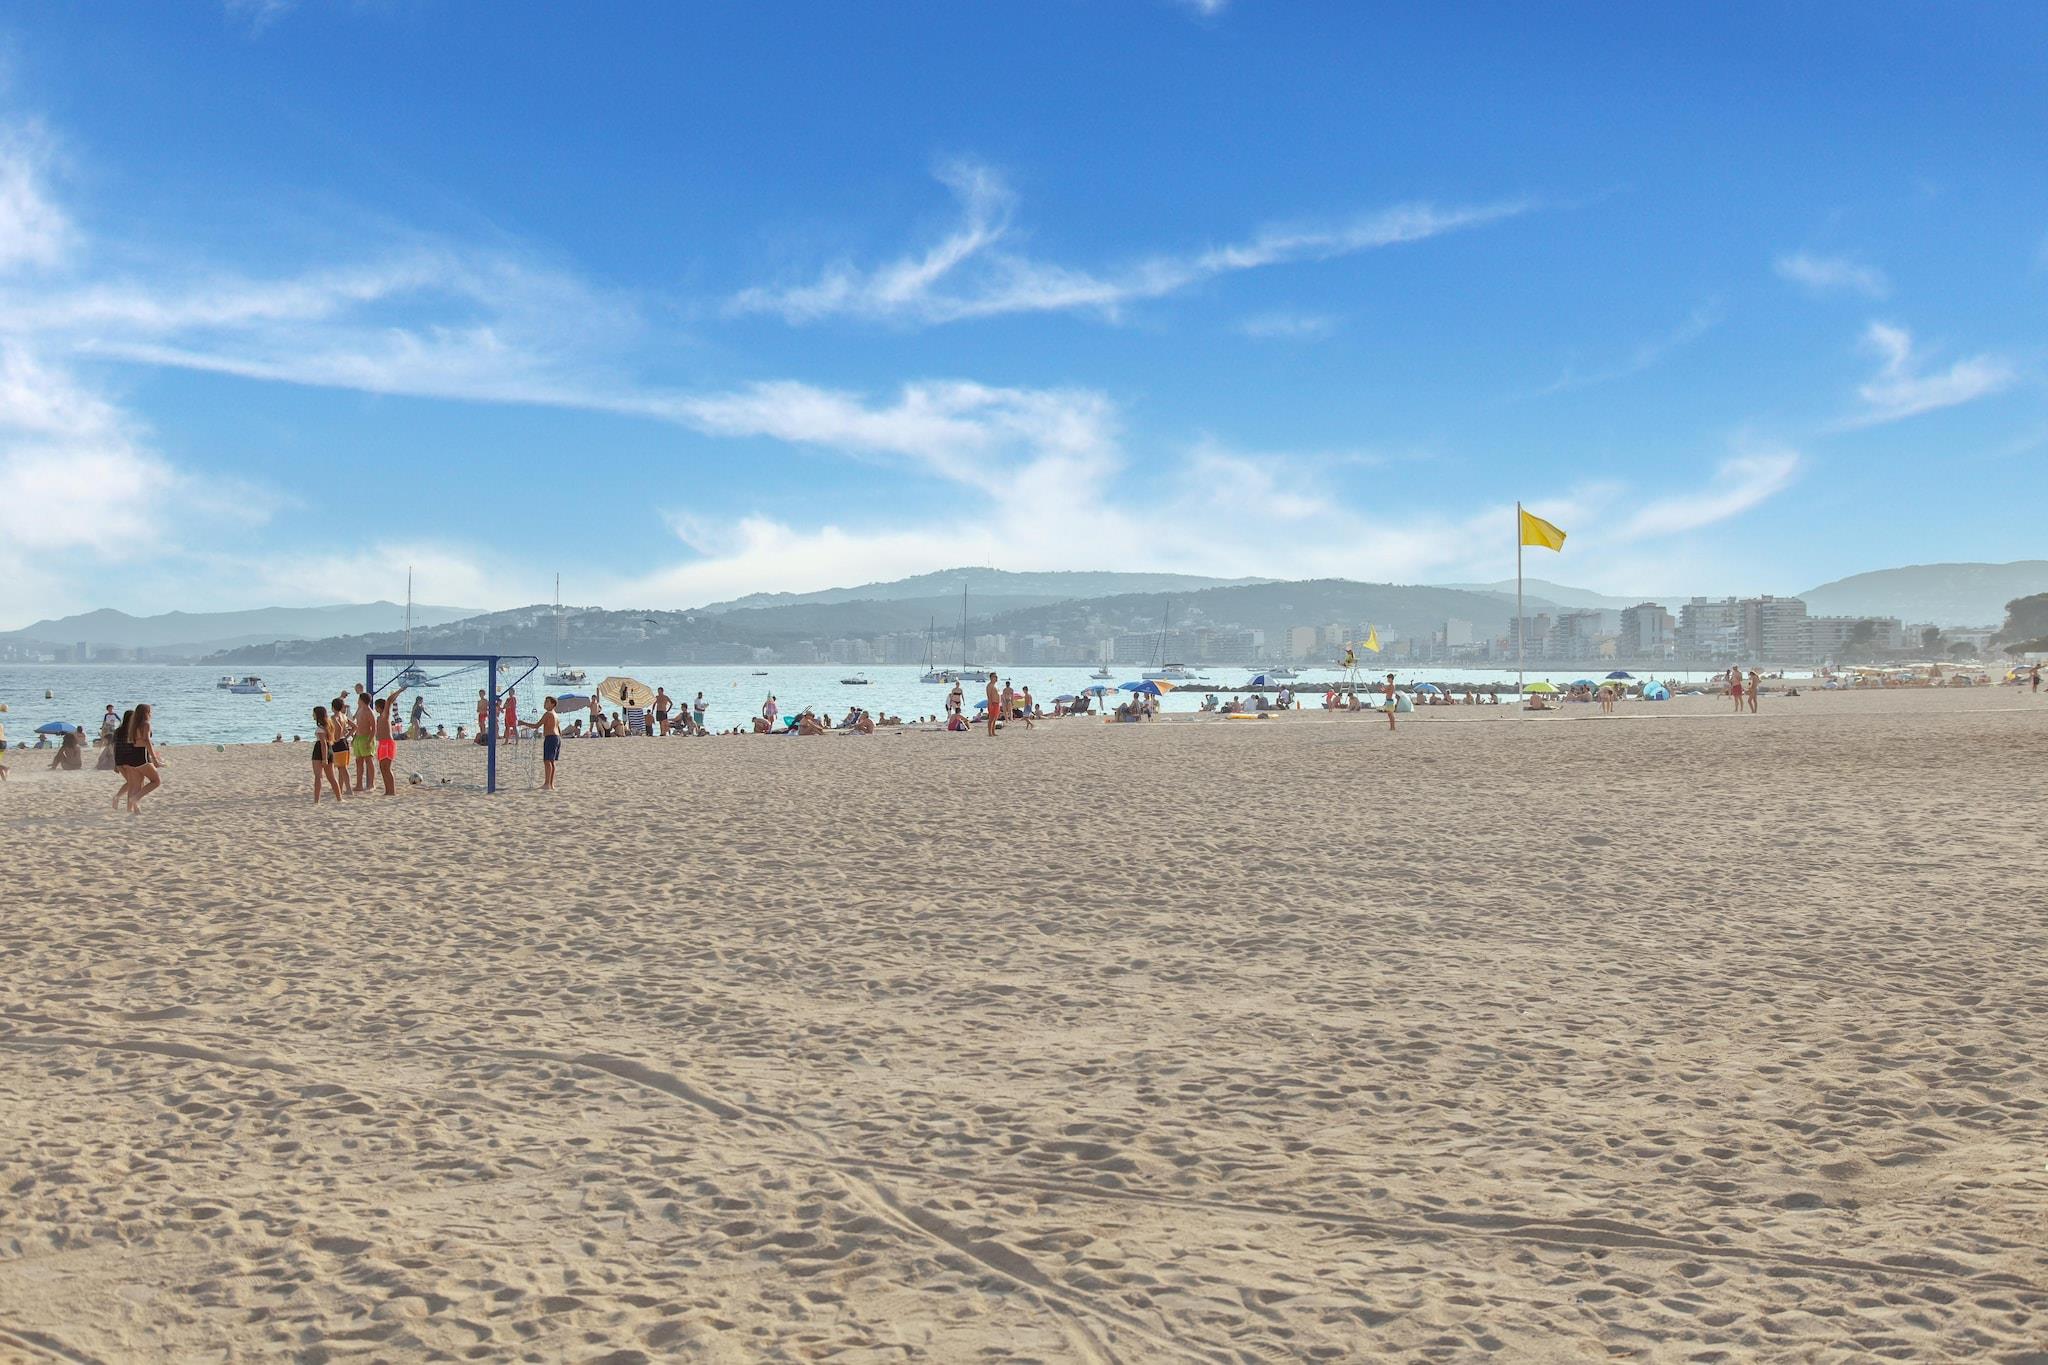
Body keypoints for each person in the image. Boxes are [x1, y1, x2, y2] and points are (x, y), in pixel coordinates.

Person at [115, 705, 161, 812]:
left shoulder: (133, 725)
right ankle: (135, 799)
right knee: (156, 781)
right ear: (146, 712)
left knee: (135, 785)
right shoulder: (146, 724)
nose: (151, 713)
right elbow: (147, 741)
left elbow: (135, 743)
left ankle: (132, 809)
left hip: (132, 757)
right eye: (150, 711)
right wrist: (154, 758)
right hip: (141, 757)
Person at [310, 705, 345, 803]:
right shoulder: (329, 725)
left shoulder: (320, 728)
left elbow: (323, 744)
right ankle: (339, 798)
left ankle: (316, 800)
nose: (313, 715)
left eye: (314, 714)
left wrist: (324, 758)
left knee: (318, 777)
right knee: (332, 777)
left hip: (320, 751)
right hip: (329, 750)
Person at [530, 695, 562, 790]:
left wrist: (523, 723)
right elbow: (559, 730)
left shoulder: (548, 713)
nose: (545, 703)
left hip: (551, 738)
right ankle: (551, 784)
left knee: (547, 761)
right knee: (551, 761)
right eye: (545, 701)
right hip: (556, 738)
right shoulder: (556, 715)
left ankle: (547, 784)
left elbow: (537, 725)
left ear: (553, 704)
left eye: (547, 702)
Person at [374, 691, 402, 796]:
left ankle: (392, 791)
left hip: (387, 743)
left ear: (379, 707)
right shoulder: (379, 717)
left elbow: (389, 700)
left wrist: (400, 690)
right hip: (382, 743)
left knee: (387, 768)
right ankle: (387, 790)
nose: (375, 708)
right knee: (382, 768)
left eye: (376, 707)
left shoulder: (385, 715)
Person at [352, 691, 377, 791]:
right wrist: (354, 738)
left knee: (369, 761)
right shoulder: (360, 710)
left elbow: (374, 728)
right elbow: (357, 725)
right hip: (358, 738)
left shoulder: (369, 712)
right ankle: (359, 785)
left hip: (366, 737)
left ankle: (372, 784)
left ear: (361, 700)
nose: (357, 701)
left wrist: (370, 741)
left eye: (359, 699)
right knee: (358, 761)